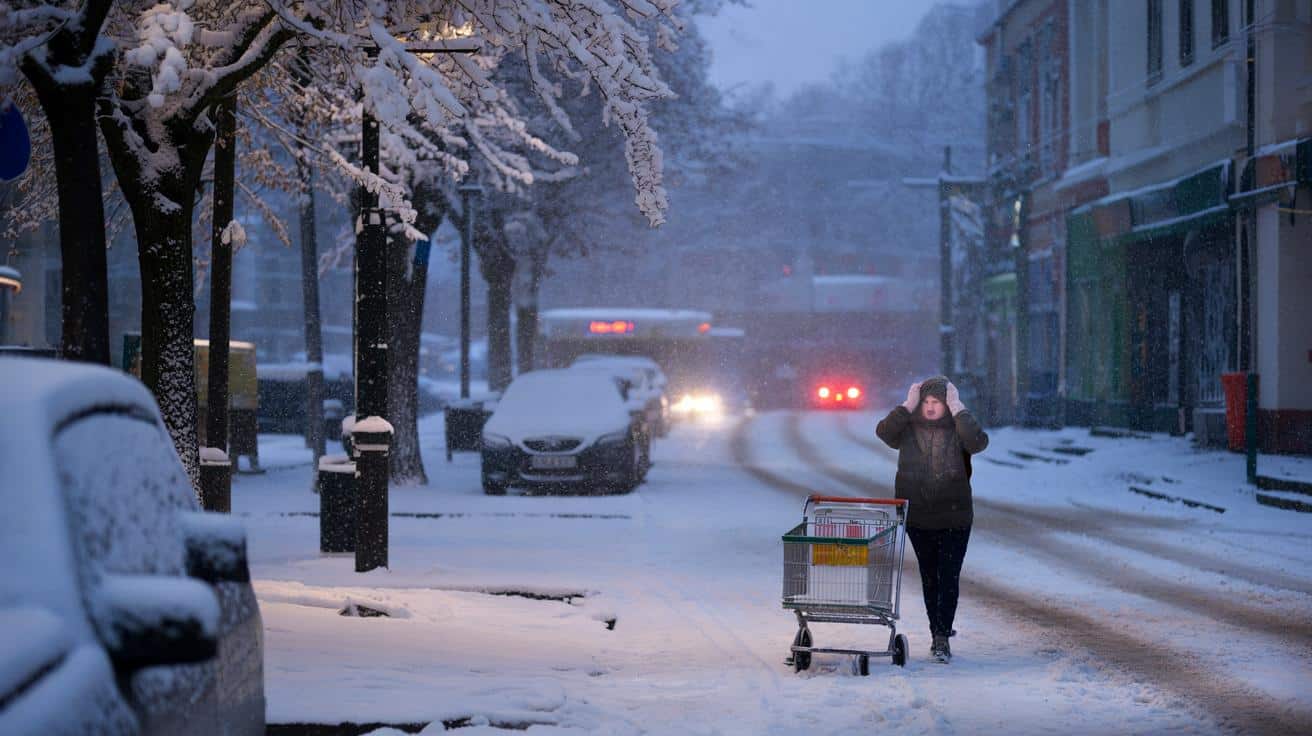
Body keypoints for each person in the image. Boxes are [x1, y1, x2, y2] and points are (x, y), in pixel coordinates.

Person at [875, 376, 988, 663]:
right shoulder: (907, 429)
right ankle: (936, 631)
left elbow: (978, 442)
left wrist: (958, 407)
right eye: (925, 402)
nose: (929, 407)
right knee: (930, 577)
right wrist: (906, 405)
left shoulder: (958, 428)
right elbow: (884, 433)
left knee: (948, 576)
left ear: (946, 403)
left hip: (955, 516)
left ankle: (941, 635)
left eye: (936, 402)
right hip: (920, 518)